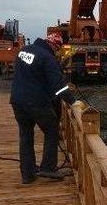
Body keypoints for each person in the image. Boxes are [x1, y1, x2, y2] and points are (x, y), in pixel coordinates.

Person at [10, 33, 85, 184]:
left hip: (17, 100)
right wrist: (73, 101)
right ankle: (48, 167)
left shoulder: (24, 50)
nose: (56, 52)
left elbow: (32, 74)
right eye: (57, 49)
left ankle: (27, 174)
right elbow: (58, 86)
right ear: (53, 45)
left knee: (25, 135)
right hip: (35, 101)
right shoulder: (47, 57)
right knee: (51, 129)